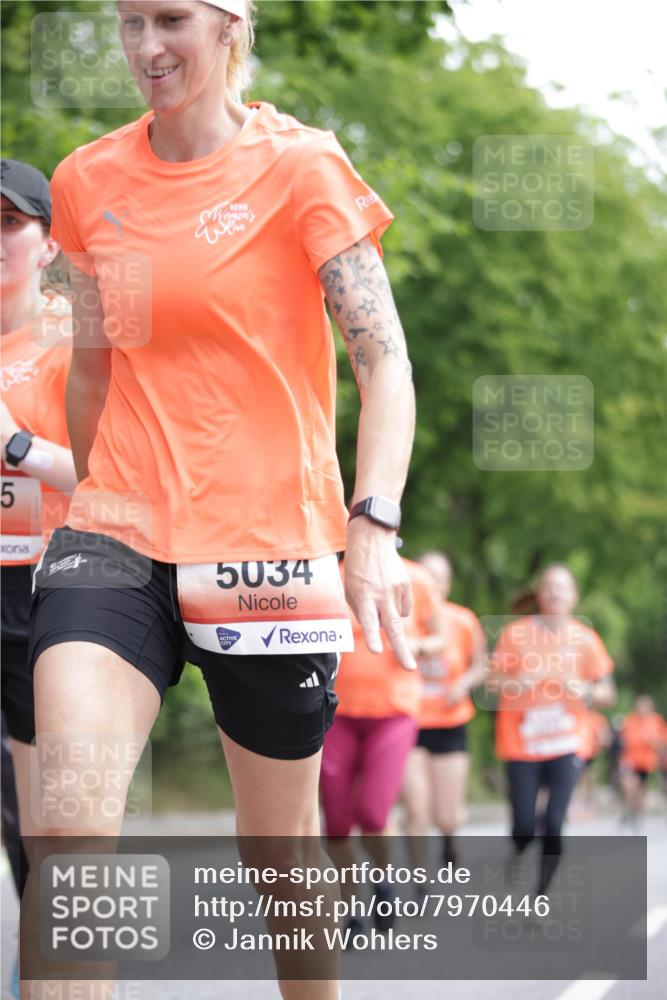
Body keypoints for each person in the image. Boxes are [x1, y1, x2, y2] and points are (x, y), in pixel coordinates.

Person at [24, 3, 416, 999]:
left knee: (277, 855)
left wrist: (370, 524)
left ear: (228, 24)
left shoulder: (302, 167)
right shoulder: (86, 180)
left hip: (266, 546)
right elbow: (92, 369)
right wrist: (88, 493)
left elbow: (385, 364)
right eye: (128, 22)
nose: (146, 47)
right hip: (117, 530)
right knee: (69, 821)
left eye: (170, 20)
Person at [1, 158, 75, 999]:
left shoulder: (73, 340)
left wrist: (15, 443)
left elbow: (116, 477)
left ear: (48, 243)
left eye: (8, 224)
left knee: (47, 833)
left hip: (46, 589)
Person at [320, 557, 442, 938]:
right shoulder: (327, 574)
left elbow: (441, 638)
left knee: (373, 813)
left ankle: (383, 879)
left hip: (394, 710)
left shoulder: (416, 577)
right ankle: (352, 906)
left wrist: (420, 644)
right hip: (336, 711)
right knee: (337, 823)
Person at [490, 564, 616, 895]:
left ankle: (539, 896)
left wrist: (585, 690)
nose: (556, 592)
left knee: (555, 823)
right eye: (549, 586)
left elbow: (607, 692)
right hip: (522, 744)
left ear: (574, 595)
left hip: (568, 742)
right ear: (539, 594)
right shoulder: (515, 634)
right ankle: (519, 849)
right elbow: (492, 682)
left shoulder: (586, 639)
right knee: (524, 827)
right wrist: (518, 683)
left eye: (563, 587)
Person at [401, 551, 486, 871]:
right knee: (416, 808)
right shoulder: (402, 618)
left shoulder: (463, 620)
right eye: (426, 575)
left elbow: (481, 666)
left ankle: (449, 838)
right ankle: (419, 876)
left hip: (450, 722)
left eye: (439, 577)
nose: (432, 583)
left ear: (448, 584)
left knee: (446, 816)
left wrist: (464, 682)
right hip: (409, 721)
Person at [618, 695, 665, 826]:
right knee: (627, 785)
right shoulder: (630, 719)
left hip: (646, 761)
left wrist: (652, 740)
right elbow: (623, 738)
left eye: (645, 706)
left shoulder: (656, 720)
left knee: (639, 790)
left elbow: (662, 742)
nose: (642, 709)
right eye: (640, 706)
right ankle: (627, 809)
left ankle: (636, 813)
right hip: (629, 759)